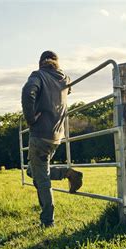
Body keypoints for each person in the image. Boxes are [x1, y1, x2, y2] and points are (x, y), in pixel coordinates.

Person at [21, 50, 83, 228]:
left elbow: (28, 92)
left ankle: (48, 221)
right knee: (34, 171)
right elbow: (68, 89)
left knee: (41, 179)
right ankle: (68, 173)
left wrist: (31, 119)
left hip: (40, 134)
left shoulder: (38, 75)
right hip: (56, 136)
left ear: (40, 63)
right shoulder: (65, 78)